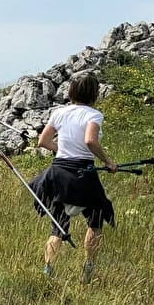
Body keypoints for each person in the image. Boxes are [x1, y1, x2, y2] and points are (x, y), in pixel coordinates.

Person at [31, 73, 117, 282]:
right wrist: (107, 162)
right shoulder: (94, 115)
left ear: (71, 91)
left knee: (59, 225)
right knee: (95, 221)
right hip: (83, 173)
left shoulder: (59, 112)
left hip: (58, 173)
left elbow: (43, 141)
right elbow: (90, 140)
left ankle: (48, 271)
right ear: (94, 94)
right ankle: (88, 269)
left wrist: (62, 149)